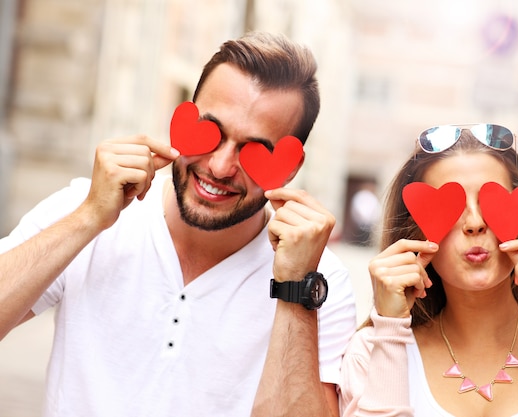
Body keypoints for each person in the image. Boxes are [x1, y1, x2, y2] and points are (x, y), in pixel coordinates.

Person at [0, 31, 356, 417]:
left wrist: (293, 288)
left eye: (255, 151)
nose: (220, 167)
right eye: (211, 132)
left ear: (289, 168)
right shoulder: (86, 209)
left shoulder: (319, 282)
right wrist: (87, 219)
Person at [338, 124, 518, 416]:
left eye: (492, 202)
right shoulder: (372, 351)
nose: (475, 223)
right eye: (452, 206)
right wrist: (389, 329)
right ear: (419, 232)